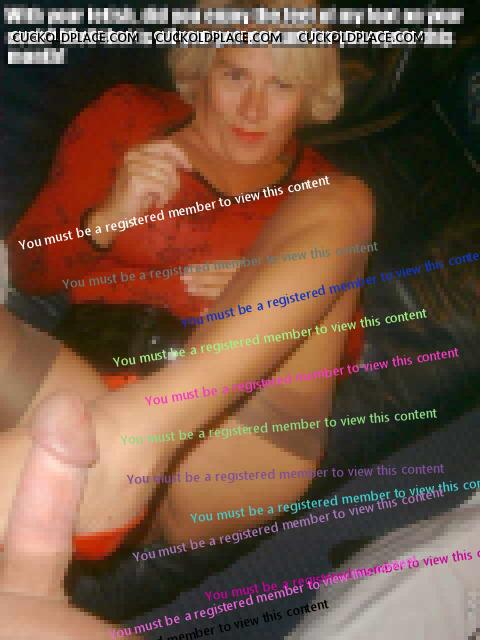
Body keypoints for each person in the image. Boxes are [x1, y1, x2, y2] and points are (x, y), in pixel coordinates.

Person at [2, 0, 374, 563]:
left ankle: (140, 431)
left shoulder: (320, 191)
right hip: (85, 393)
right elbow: (28, 268)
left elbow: (341, 347)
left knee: (346, 200)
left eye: (281, 86)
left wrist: (247, 295)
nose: (253, 108)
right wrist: (106, 221)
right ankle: (115, 450)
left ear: (309, 95)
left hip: (232, 436)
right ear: (203, 67)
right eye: (235, 75)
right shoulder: (128, 117)